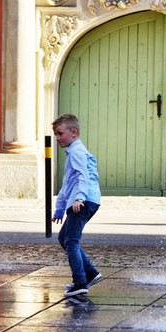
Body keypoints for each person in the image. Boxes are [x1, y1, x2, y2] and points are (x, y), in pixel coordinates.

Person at [51, 113, 102, 297]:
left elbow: (82, 176)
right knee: (64, 237)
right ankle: (91, 273)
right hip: (84, 200)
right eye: (56, 134)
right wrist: (58, 209)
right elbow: (67, 184)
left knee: (71, 241)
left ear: (74, 132)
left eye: (60, 133)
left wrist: (79, 199)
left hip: (83, 201)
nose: (57, 138)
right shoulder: (73, 152)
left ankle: (80, 282)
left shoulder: (77, 152)